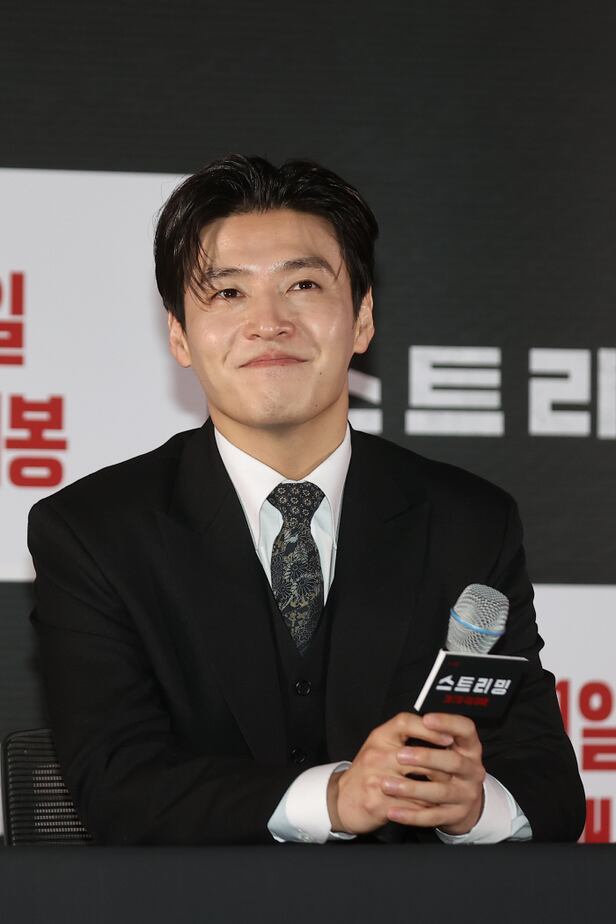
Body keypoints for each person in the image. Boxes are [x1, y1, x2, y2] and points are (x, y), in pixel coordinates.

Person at [28, 154, 585, 845]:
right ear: (179, 335)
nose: (269, 322)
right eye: (228, 293)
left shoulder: (469, 521)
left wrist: (471, 805)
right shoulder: (94, 532)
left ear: (362, 318)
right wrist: (332, 799)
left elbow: (549, 790)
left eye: (303, 284)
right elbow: (117, 787)